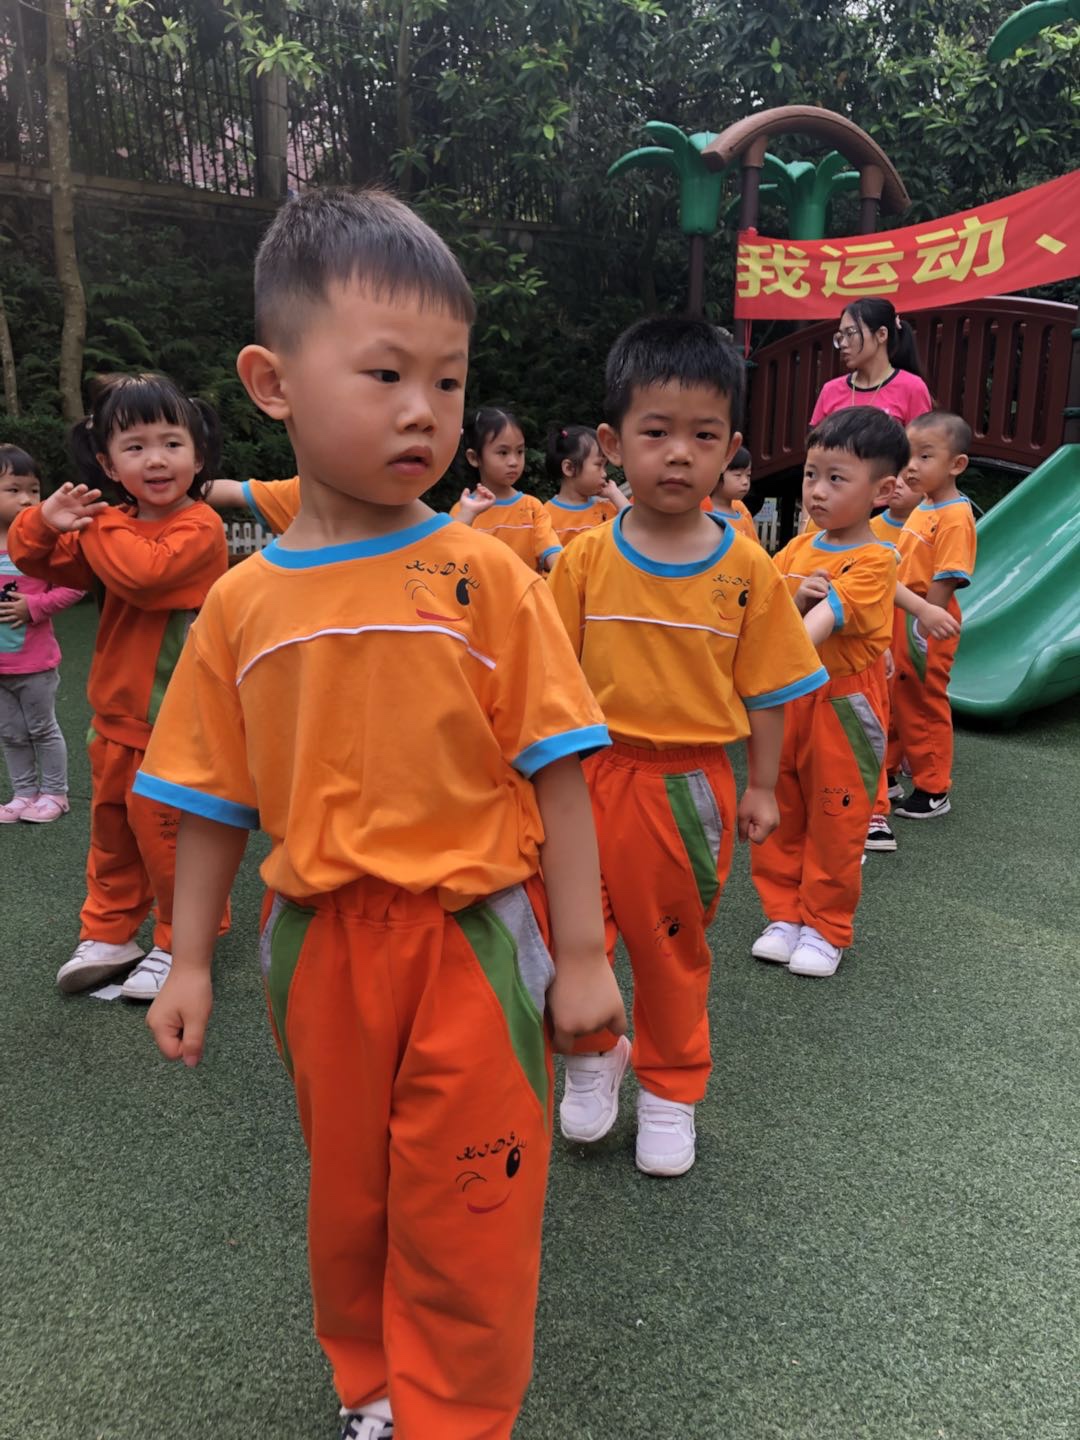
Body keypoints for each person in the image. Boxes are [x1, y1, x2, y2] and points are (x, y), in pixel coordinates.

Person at [131, 187, 626, 1440]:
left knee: (473, 1205)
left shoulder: (484, 577)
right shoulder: (242, 605)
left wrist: (580, 959)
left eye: (449, 382)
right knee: (349, 1198)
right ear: (273, 382)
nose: (426, 410)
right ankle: (374, 1387)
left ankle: (458, 1415)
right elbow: (210, 799)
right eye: (388, 373)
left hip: (472, 939)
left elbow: (562, 770)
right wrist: (187, 958)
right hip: (316, 950)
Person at [547, 316, 827, 1177]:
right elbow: (545, 685)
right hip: (584, 779)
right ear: (612, 444)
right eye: (656, 432)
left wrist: (763, 787)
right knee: (571, 933)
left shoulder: (749, 570)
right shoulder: (583, 561)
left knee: (671, 946)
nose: (678, 454)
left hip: (686, 789)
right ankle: (593, 1055)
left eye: (704, 436)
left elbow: (770, 690)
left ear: (731, 450)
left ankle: (671, 1087)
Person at [7, 373, 228, 999]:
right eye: (135, 447)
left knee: (171, 841)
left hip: (176, 724)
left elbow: (143, 575)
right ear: (108, 464)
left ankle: (181, 941)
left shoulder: (200, 526)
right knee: (112, 837)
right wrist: (43, 521)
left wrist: (92, 521)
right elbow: (38, 562)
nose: (155, 459)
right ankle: (108, 932)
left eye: (171, 443)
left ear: (198, 455)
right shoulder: (115, 525)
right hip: (113, 719)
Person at [749, 409, 906, 978]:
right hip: (789, 699)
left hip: (843, 702)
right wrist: (794, 602)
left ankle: (825, 925)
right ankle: (784, 914)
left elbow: (813, 630)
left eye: (836, 478)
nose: (817, 490)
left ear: (882, 492)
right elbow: (768, 614)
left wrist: (787, 627)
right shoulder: (793, 552)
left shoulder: (876, 559)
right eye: (811, 474)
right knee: (781, 805)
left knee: (837, 816)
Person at [889, 410, 977, 820]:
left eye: (925, 457)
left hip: (927, 617)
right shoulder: (925, 505)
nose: (912, 466)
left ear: (956, 464)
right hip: (904, 612)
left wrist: (925, 624)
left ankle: (933, 787)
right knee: (894, 693)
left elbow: (948, 575)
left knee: (923, 701)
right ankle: (888, 772)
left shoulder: (955, 515)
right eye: (908, 455)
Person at [0, 445, 84, 823]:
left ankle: (55, 794)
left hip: (34, 664)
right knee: (10, 733)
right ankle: (23, 794)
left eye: (33, 490)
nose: (26, 499)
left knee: (41, 728)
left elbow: (76, 585)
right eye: (14, 489)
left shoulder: (41, 545)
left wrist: (33, 607)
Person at [863, 468, 928, 852]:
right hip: (825, 662)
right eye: (810, 475)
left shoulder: (892, 537)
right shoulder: (804, 545)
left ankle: (875, 808)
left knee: (873, 722)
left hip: (873, 649)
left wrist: (925, 611)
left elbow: (889, 584)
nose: (818, 491)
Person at [450, 407, 562, 571]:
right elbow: (450, 556)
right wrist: (466, 517)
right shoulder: (463, 510)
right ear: (474, 458)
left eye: (520, 451)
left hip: (528, 588)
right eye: (503, 453)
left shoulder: (532, 507)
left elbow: (552, 552)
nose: (514, 461)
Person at [810, 297, 933, 428]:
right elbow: (816, 440)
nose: (843, 344)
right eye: (840, 336)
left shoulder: (913, 388)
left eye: (850, 333)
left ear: (881, 334)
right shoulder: (830, 390)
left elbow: (922, 440)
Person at [543, 423, 627, 545]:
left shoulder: (606, 508)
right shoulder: (546, 516)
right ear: (569, 468)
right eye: (598, 465)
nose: (604, 474)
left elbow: (637, 528)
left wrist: (616, 495)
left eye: (605, 466)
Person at [707, 444, 760, 543]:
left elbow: (754, 549)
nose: (745, 481)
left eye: (748, 475)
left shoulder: (744, 521)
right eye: (738, 475)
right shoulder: (702, 516)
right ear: (717, 474)